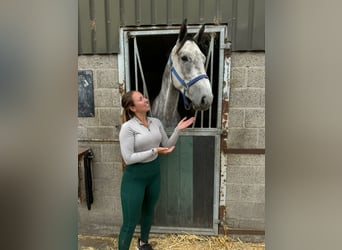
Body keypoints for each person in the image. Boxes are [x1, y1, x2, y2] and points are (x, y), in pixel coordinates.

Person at [118, 90, 195, 250]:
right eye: (141, 99)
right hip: (135, 179)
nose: (146, 100)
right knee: (130, 222)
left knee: (148, 213)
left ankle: (143, 243)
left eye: (144, 97)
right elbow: (128, 158)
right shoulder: (128, 127)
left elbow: (166, 145)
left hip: (153, 175)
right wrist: (154, 151)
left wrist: (178, 130)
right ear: (132, 108)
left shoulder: (156, 122)